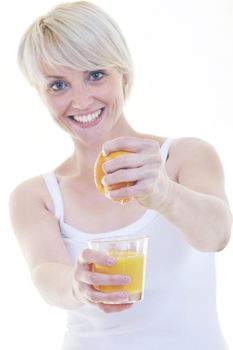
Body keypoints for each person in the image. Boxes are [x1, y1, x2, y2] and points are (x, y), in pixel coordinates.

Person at [9, 1, 232, 349]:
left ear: (123, 74)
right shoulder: (35, 195)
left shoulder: (183, 156)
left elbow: (217, 235)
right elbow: (44, 275)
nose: (81, 101)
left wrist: (164, 194)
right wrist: (76, 284)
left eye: (95, 75)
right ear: (39, 92)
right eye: (57, 85)